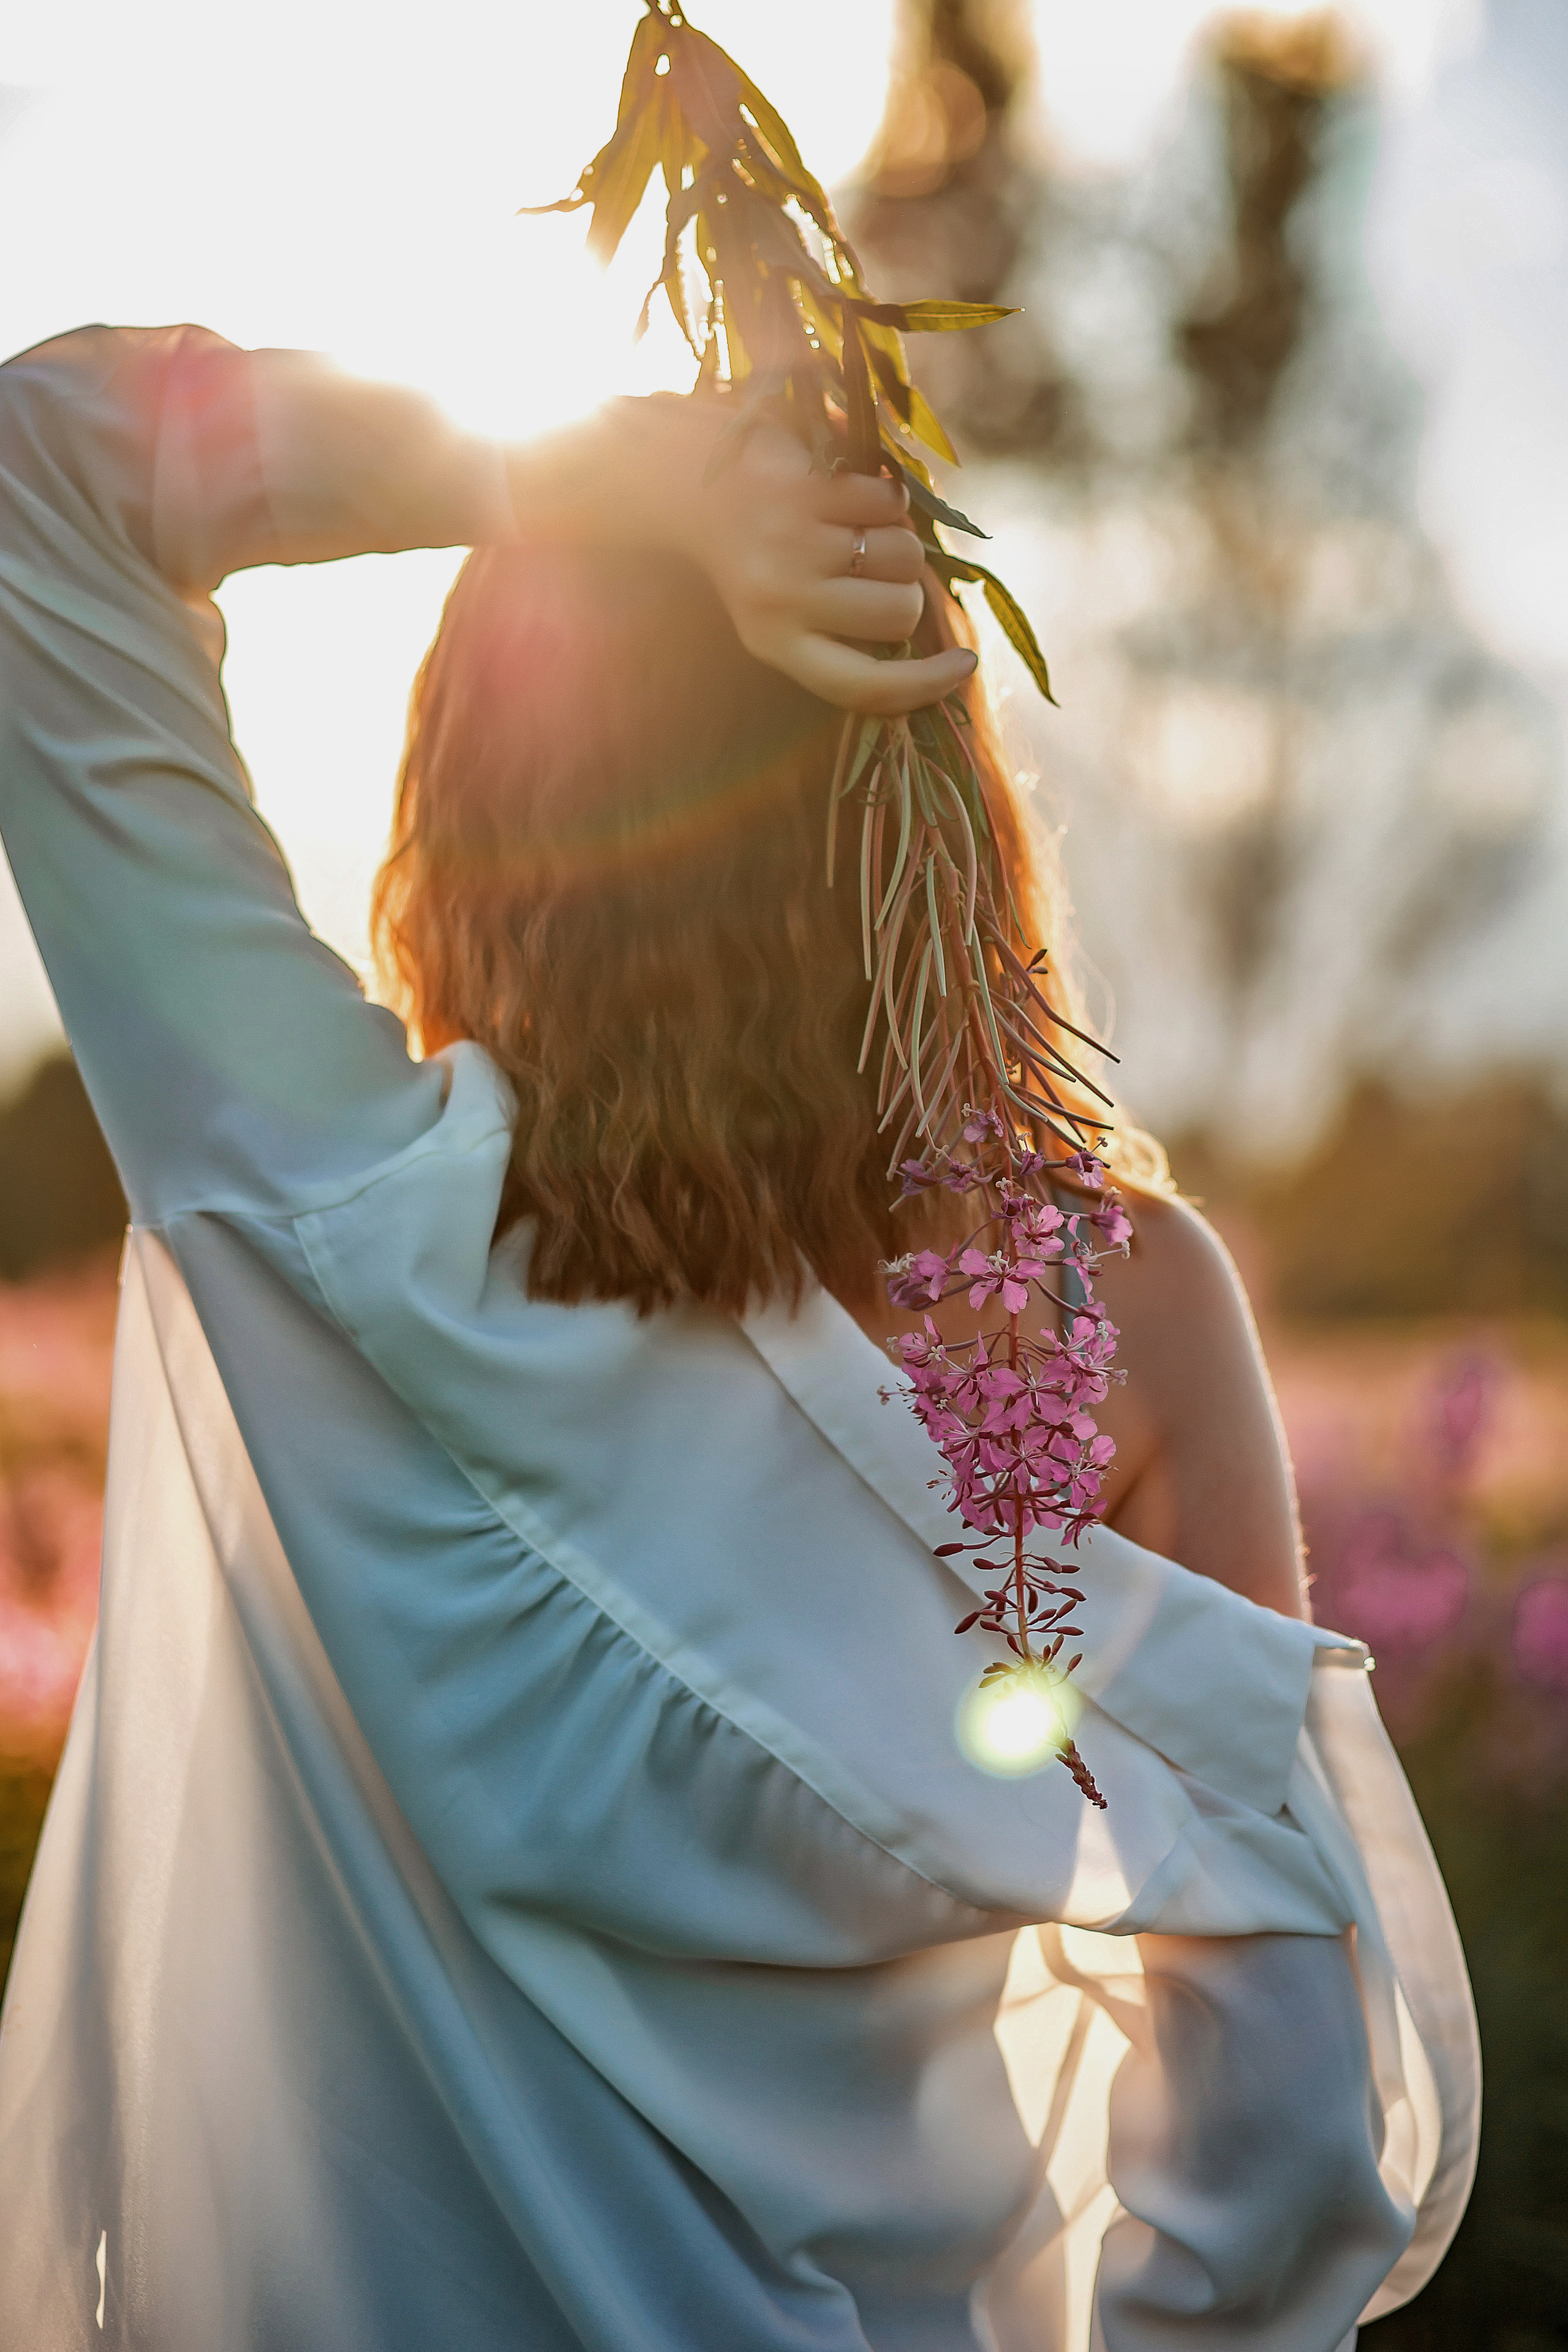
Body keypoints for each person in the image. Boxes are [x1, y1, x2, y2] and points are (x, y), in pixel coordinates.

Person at [0, 322, 1477, 2351]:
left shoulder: (332, 1211)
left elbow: (45, 472)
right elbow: (1281, 2102)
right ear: (927, 786)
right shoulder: (1106, 1306)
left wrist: (579, 480)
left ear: (486, 805)